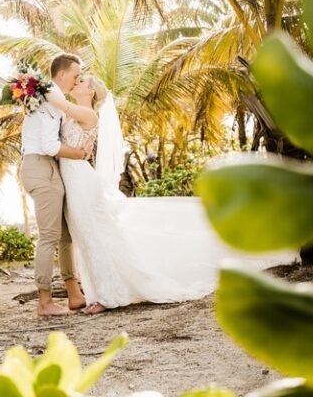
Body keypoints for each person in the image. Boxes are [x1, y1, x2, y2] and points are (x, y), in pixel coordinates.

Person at [46, 75, 295, 315]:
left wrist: (35, 87)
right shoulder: (70, 114)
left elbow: (57, 102)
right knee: (86, 236)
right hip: (74, 180)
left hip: (81, 181)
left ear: (90, 91)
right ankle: (100, 292)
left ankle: (109, 295)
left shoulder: (87, 114)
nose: (76, 83)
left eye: (81, 81)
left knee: (94, 236)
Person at [18, 53, 93, 316]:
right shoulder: (48, 106)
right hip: (41, 168)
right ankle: (44, 302)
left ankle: (74, 294)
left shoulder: (53, 104)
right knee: (49, 236)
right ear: (61, 74)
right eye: (75, 74)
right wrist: (80, 154)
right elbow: (50, 146)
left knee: (64, 236)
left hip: (48, 169)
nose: (77, 79)